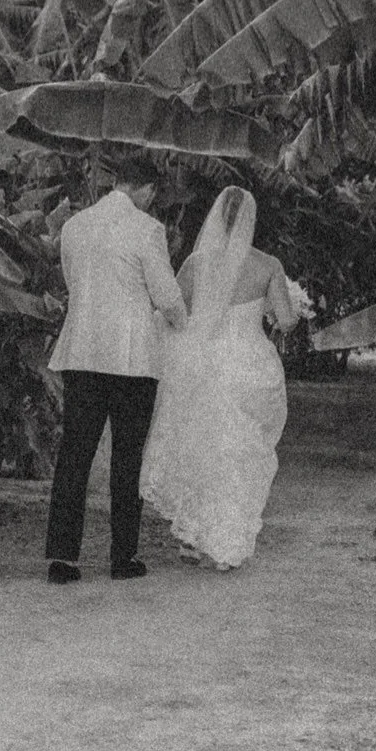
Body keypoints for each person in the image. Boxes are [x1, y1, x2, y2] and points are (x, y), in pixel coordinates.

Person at [140, 184, 300, 570]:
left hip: (205, 363)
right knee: (241, 452)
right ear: (250, 219)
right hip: (249, 363)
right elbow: (286, 320)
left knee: (203, 446)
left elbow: (175, 311)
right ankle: (228, 538)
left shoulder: (197, 263)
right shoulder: (268, 265)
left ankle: (193, 537)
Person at [44, 177, 189, 584]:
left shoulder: (75, 226)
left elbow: (74, 283)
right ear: (144, 189)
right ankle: (122, 557)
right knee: (127, 458)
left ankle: (62, 558)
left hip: (83, 352)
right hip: (132, 359)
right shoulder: (147, 229)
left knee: (75, 453)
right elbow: (165, 293)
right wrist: (182, 323)